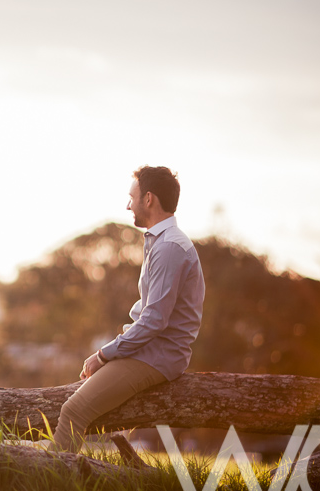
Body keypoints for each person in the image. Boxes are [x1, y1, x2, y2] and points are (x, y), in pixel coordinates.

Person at [50, 166, 205, 453]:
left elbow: (154, 321)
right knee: (76, 401)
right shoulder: (160, 242)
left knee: (73, 411)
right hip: (150, 349)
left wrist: (103, 354)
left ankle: (42, 482)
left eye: (131, 197)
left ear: (148, 199)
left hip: (157, 355)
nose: (127, 205)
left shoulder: (170, 247)